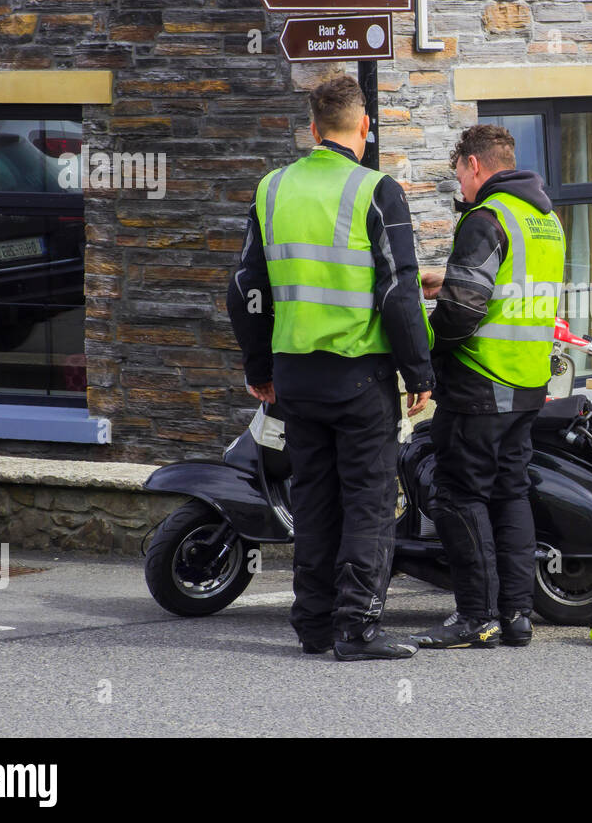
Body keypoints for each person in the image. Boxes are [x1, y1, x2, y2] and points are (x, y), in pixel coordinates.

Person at [227, 74, 433, 661]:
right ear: (363, 127)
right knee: (368, 502)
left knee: (314, 500)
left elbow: (245, 287)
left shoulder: (271, 189)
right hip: (359, 376)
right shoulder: (376, 190)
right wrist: (419, 373)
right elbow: (399, 292)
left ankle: (313, 627)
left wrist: (258, 364)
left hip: (295, 376)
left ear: (313, 130)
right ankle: (358, 629)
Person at [410, 124, 566, 649]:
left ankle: (476, 616)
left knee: (457, 494)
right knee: (511, 493)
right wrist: (446, 275)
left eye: (459, 173)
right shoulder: (546, 220)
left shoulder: (486, 218)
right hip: (527, 383)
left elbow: (460, 313)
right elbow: (509, 290)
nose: (460, 185)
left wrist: (423, 353)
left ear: (474, 166)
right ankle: (517, 616)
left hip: (480, 384)